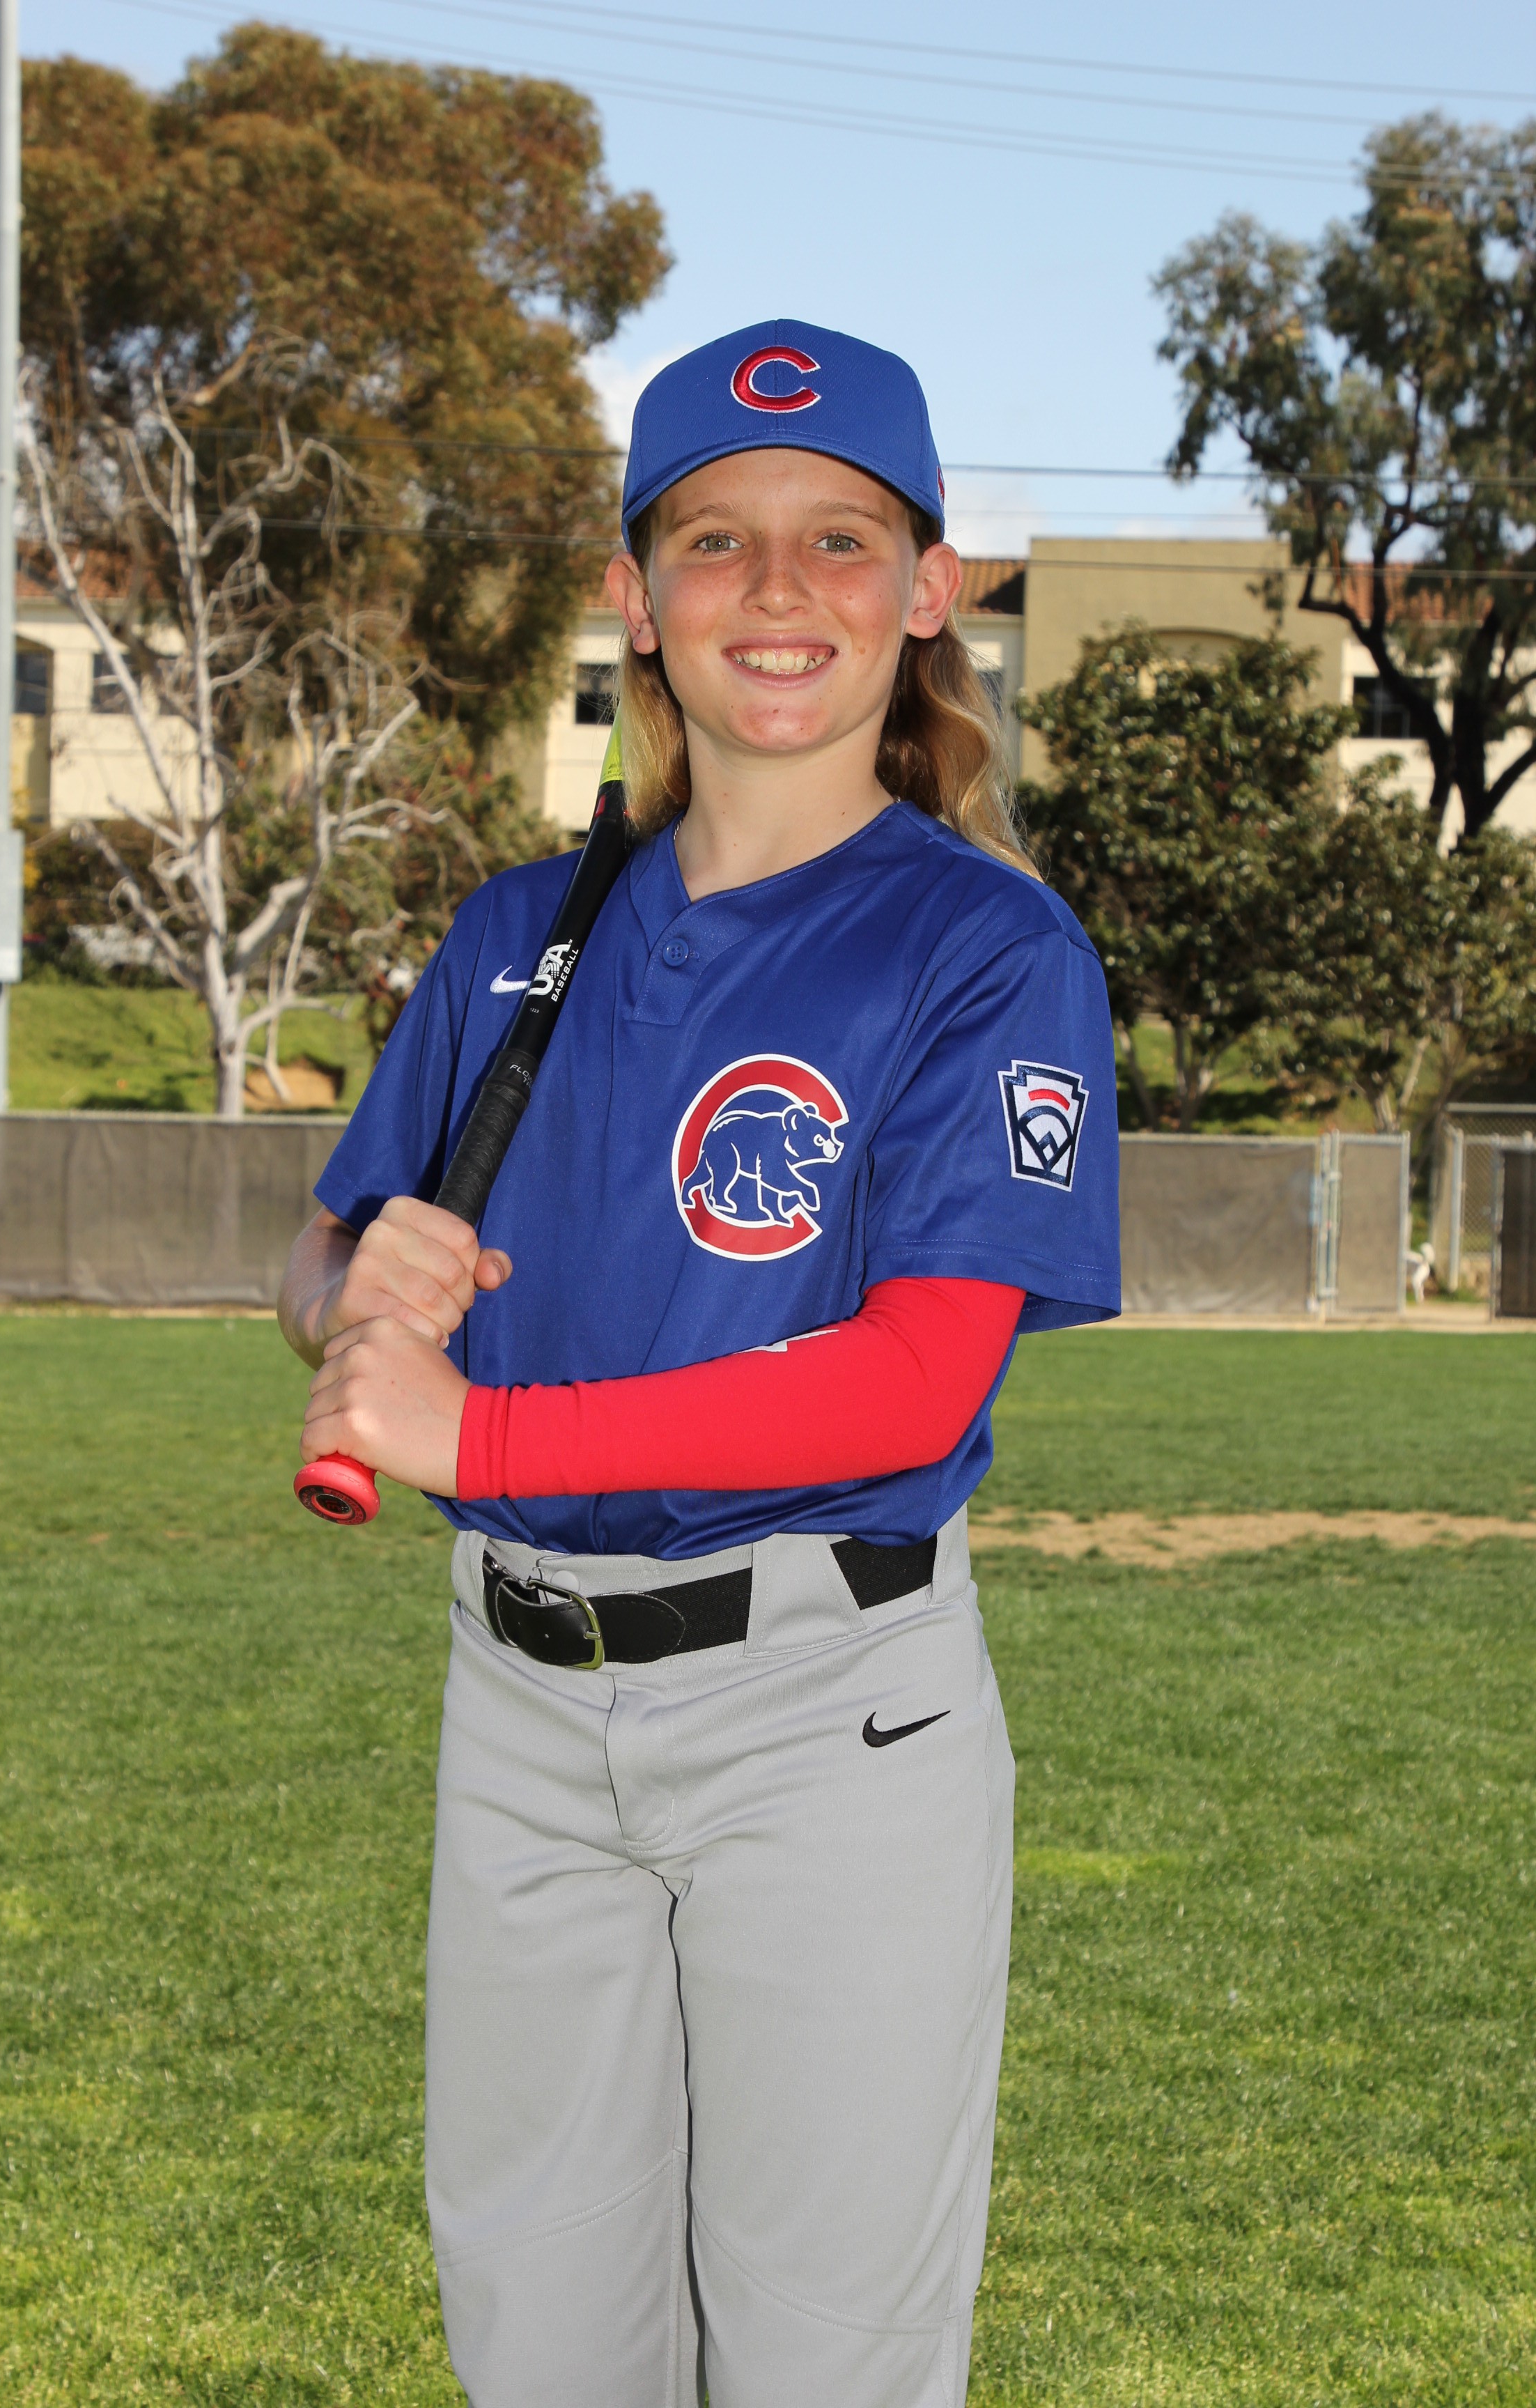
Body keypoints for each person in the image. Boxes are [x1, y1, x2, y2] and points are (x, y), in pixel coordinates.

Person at [277, 320, 1121, 2408]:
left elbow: (913, 1384)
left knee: (825, 2367)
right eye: (715, 537)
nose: (776, 587)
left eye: (841, 538)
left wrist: (473, 1426)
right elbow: (328, 1258)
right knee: (545, 2354)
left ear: (926, 590)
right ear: (635, 595)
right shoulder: (514, 935)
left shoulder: (987, 947)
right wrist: (351, 1289)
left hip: (827, 1716)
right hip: (521, 1702)